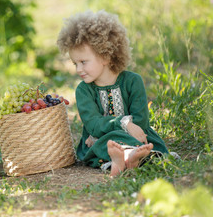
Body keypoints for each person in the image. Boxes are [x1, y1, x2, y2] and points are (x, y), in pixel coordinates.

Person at [56, 10, 170, 177]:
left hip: (138, 135)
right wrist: (124, 123)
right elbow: (94, 125)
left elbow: (141, 121)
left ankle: (127, 157)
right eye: (75, 63)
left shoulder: (132, 81)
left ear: (106, 57)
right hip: (101, 141)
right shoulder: (83, 90)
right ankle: (127, 155)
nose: (78, 69)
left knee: (145, 143)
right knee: (107, 141)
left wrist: (129, 127)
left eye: (83, 62)